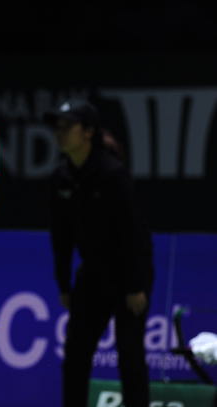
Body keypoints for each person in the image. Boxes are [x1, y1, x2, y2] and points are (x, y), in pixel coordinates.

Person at [43, 99, 154, 407]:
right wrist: (64, 284)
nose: (60, 132)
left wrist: (135, 286)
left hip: (129, 273)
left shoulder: (112, 173)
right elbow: (61, 237)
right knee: (76, 354)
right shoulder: (61, 178)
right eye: (57, 127)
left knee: (130, 355)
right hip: (92, 274)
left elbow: (132, 233)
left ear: (88, 131)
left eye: (68, 126)